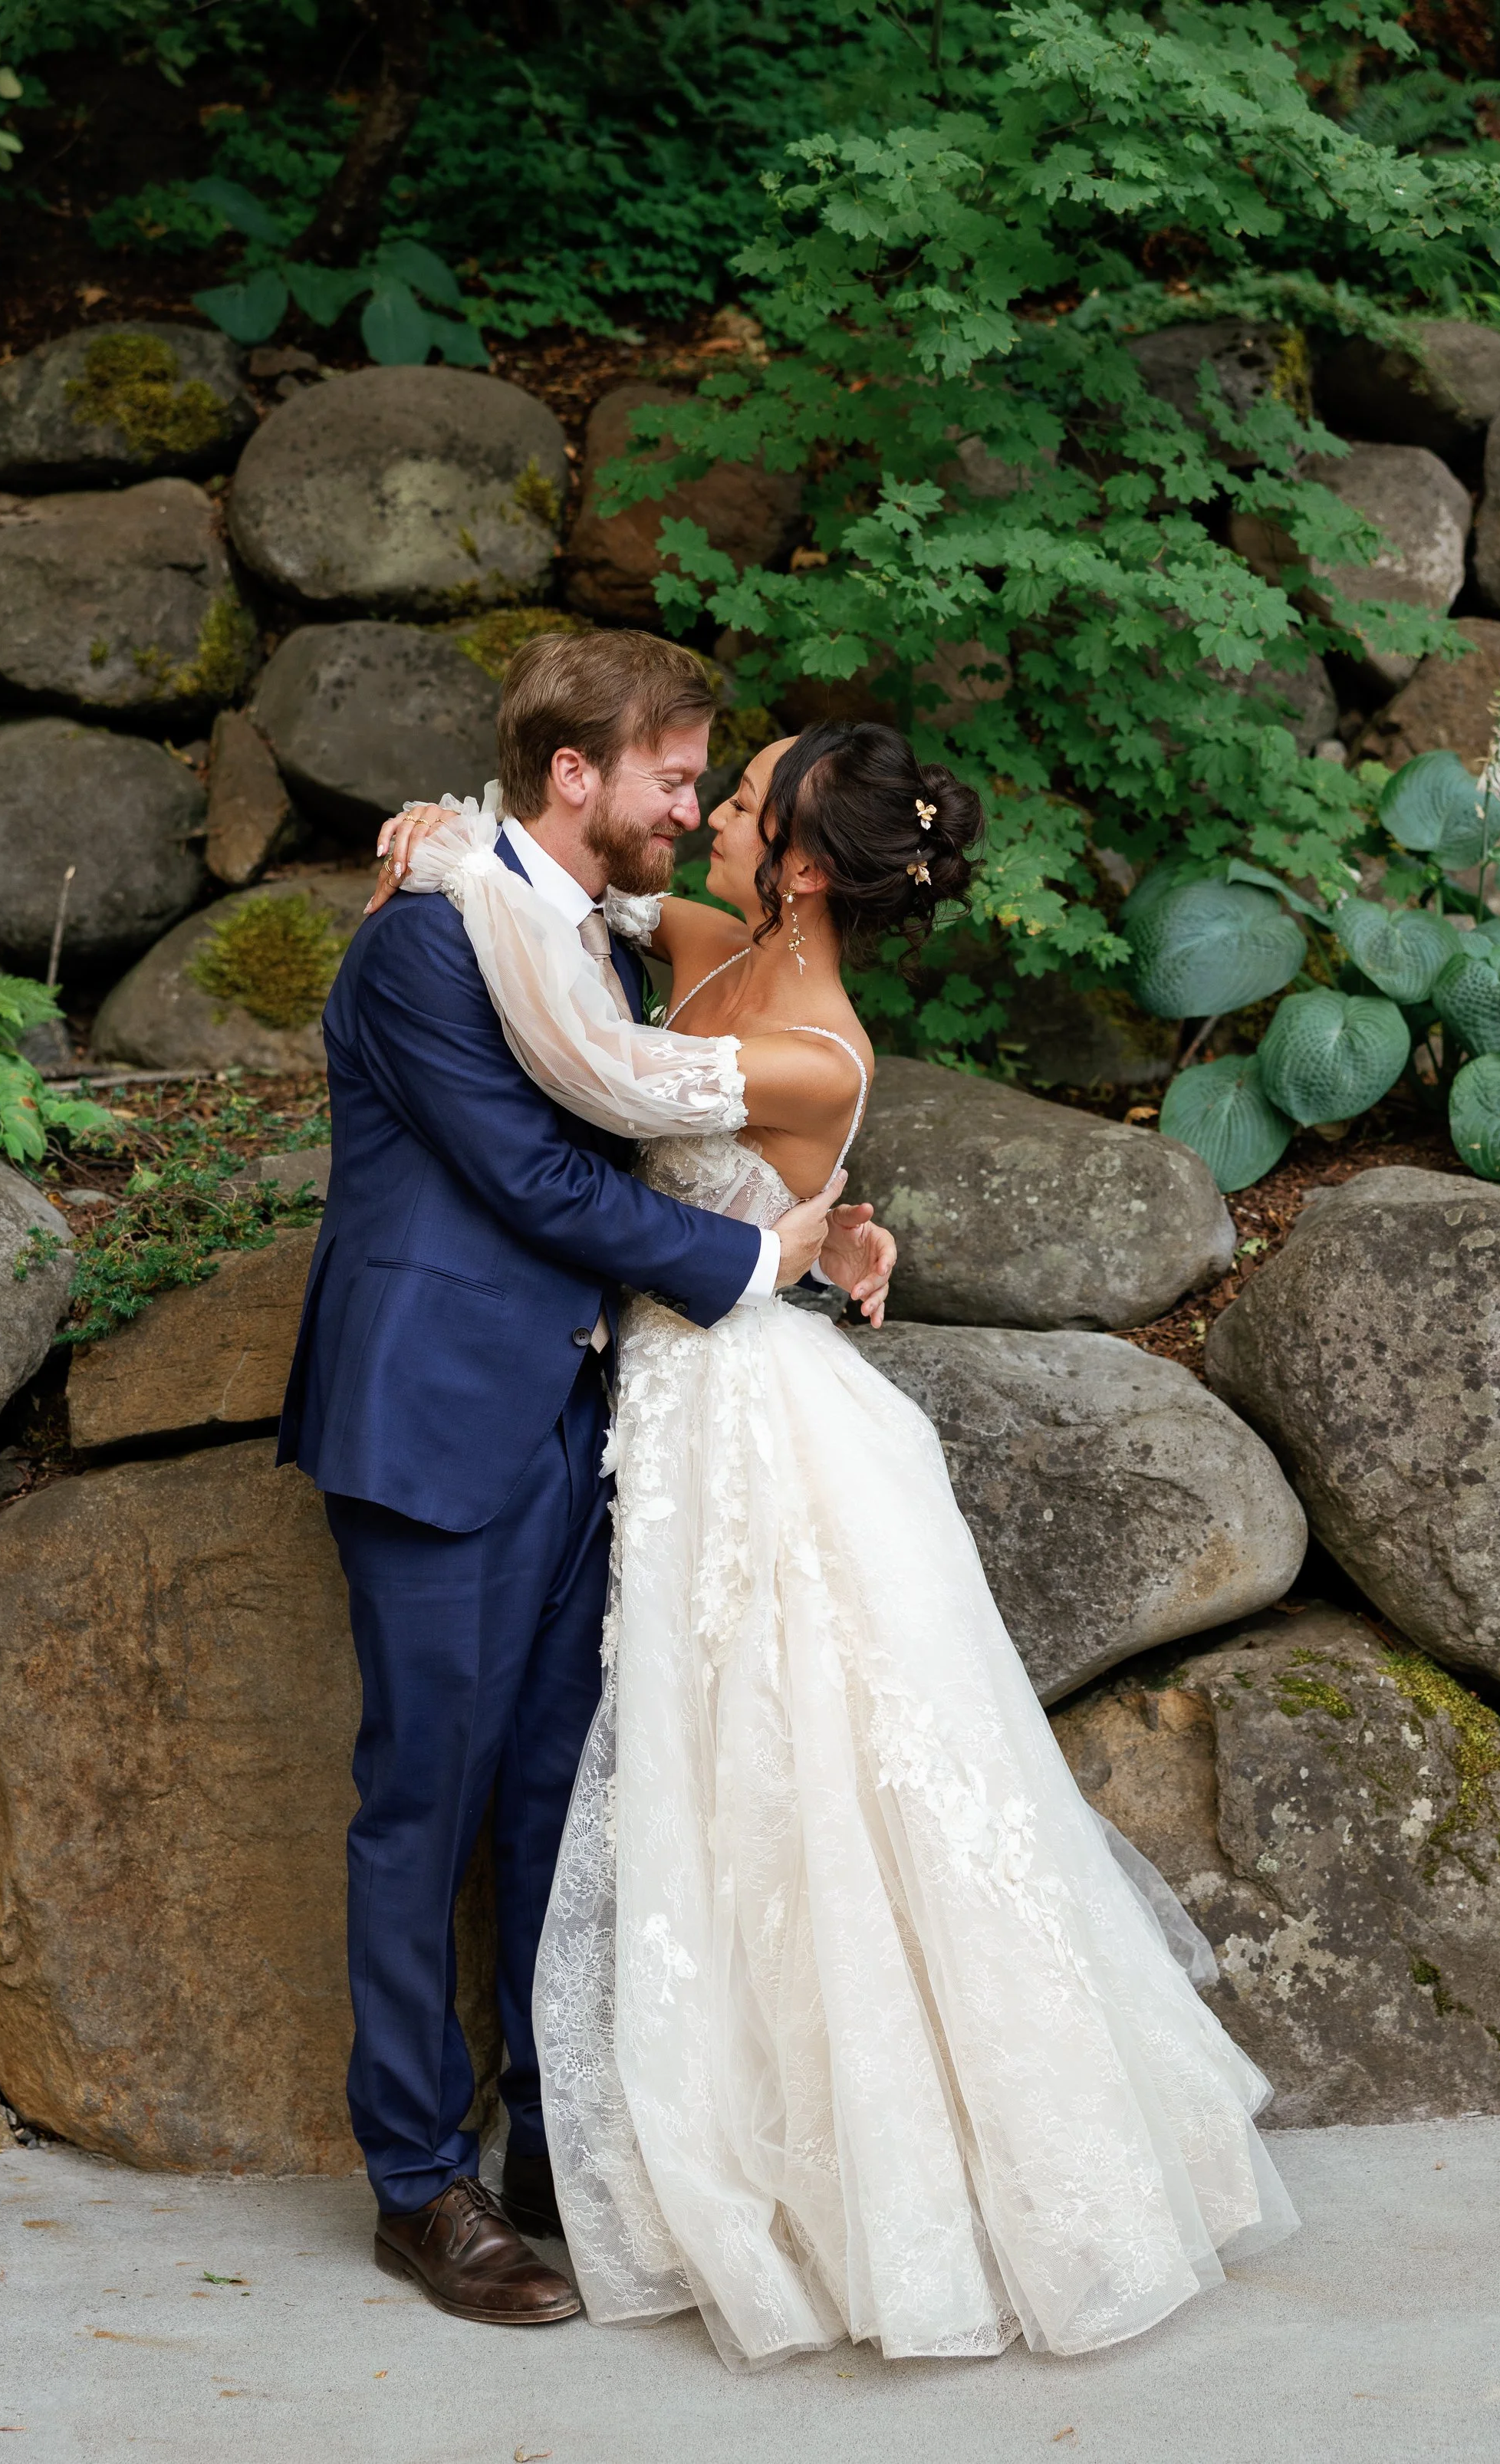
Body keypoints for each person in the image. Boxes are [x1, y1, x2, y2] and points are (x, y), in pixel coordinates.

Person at [377, 714, 1299, 2369]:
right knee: (659, 1780)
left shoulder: (813, 1049)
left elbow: (597, 1075)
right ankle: (606, 2137)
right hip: (651, 1401)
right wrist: (450, 827)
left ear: (803, 859)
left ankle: (828, 2162)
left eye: (736, 799)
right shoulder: (721, 940)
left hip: (738, 1416)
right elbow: (573, 902)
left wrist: (453, 862)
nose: (710, 813)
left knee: (777, 1782)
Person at [278, 630, 895, 2329]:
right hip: (437, 1420)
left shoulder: (591, 938)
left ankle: (561, 2152)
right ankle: (419, 2183)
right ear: (578, 776)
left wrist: (836, 1220)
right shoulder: (426, 945)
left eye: (712, 786)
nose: (692, 806)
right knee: (425, 1802)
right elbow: (541, 1173)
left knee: (562, 1800)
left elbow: (721, 1076)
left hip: (585, 1420)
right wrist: (762, 1264)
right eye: (675, 777)